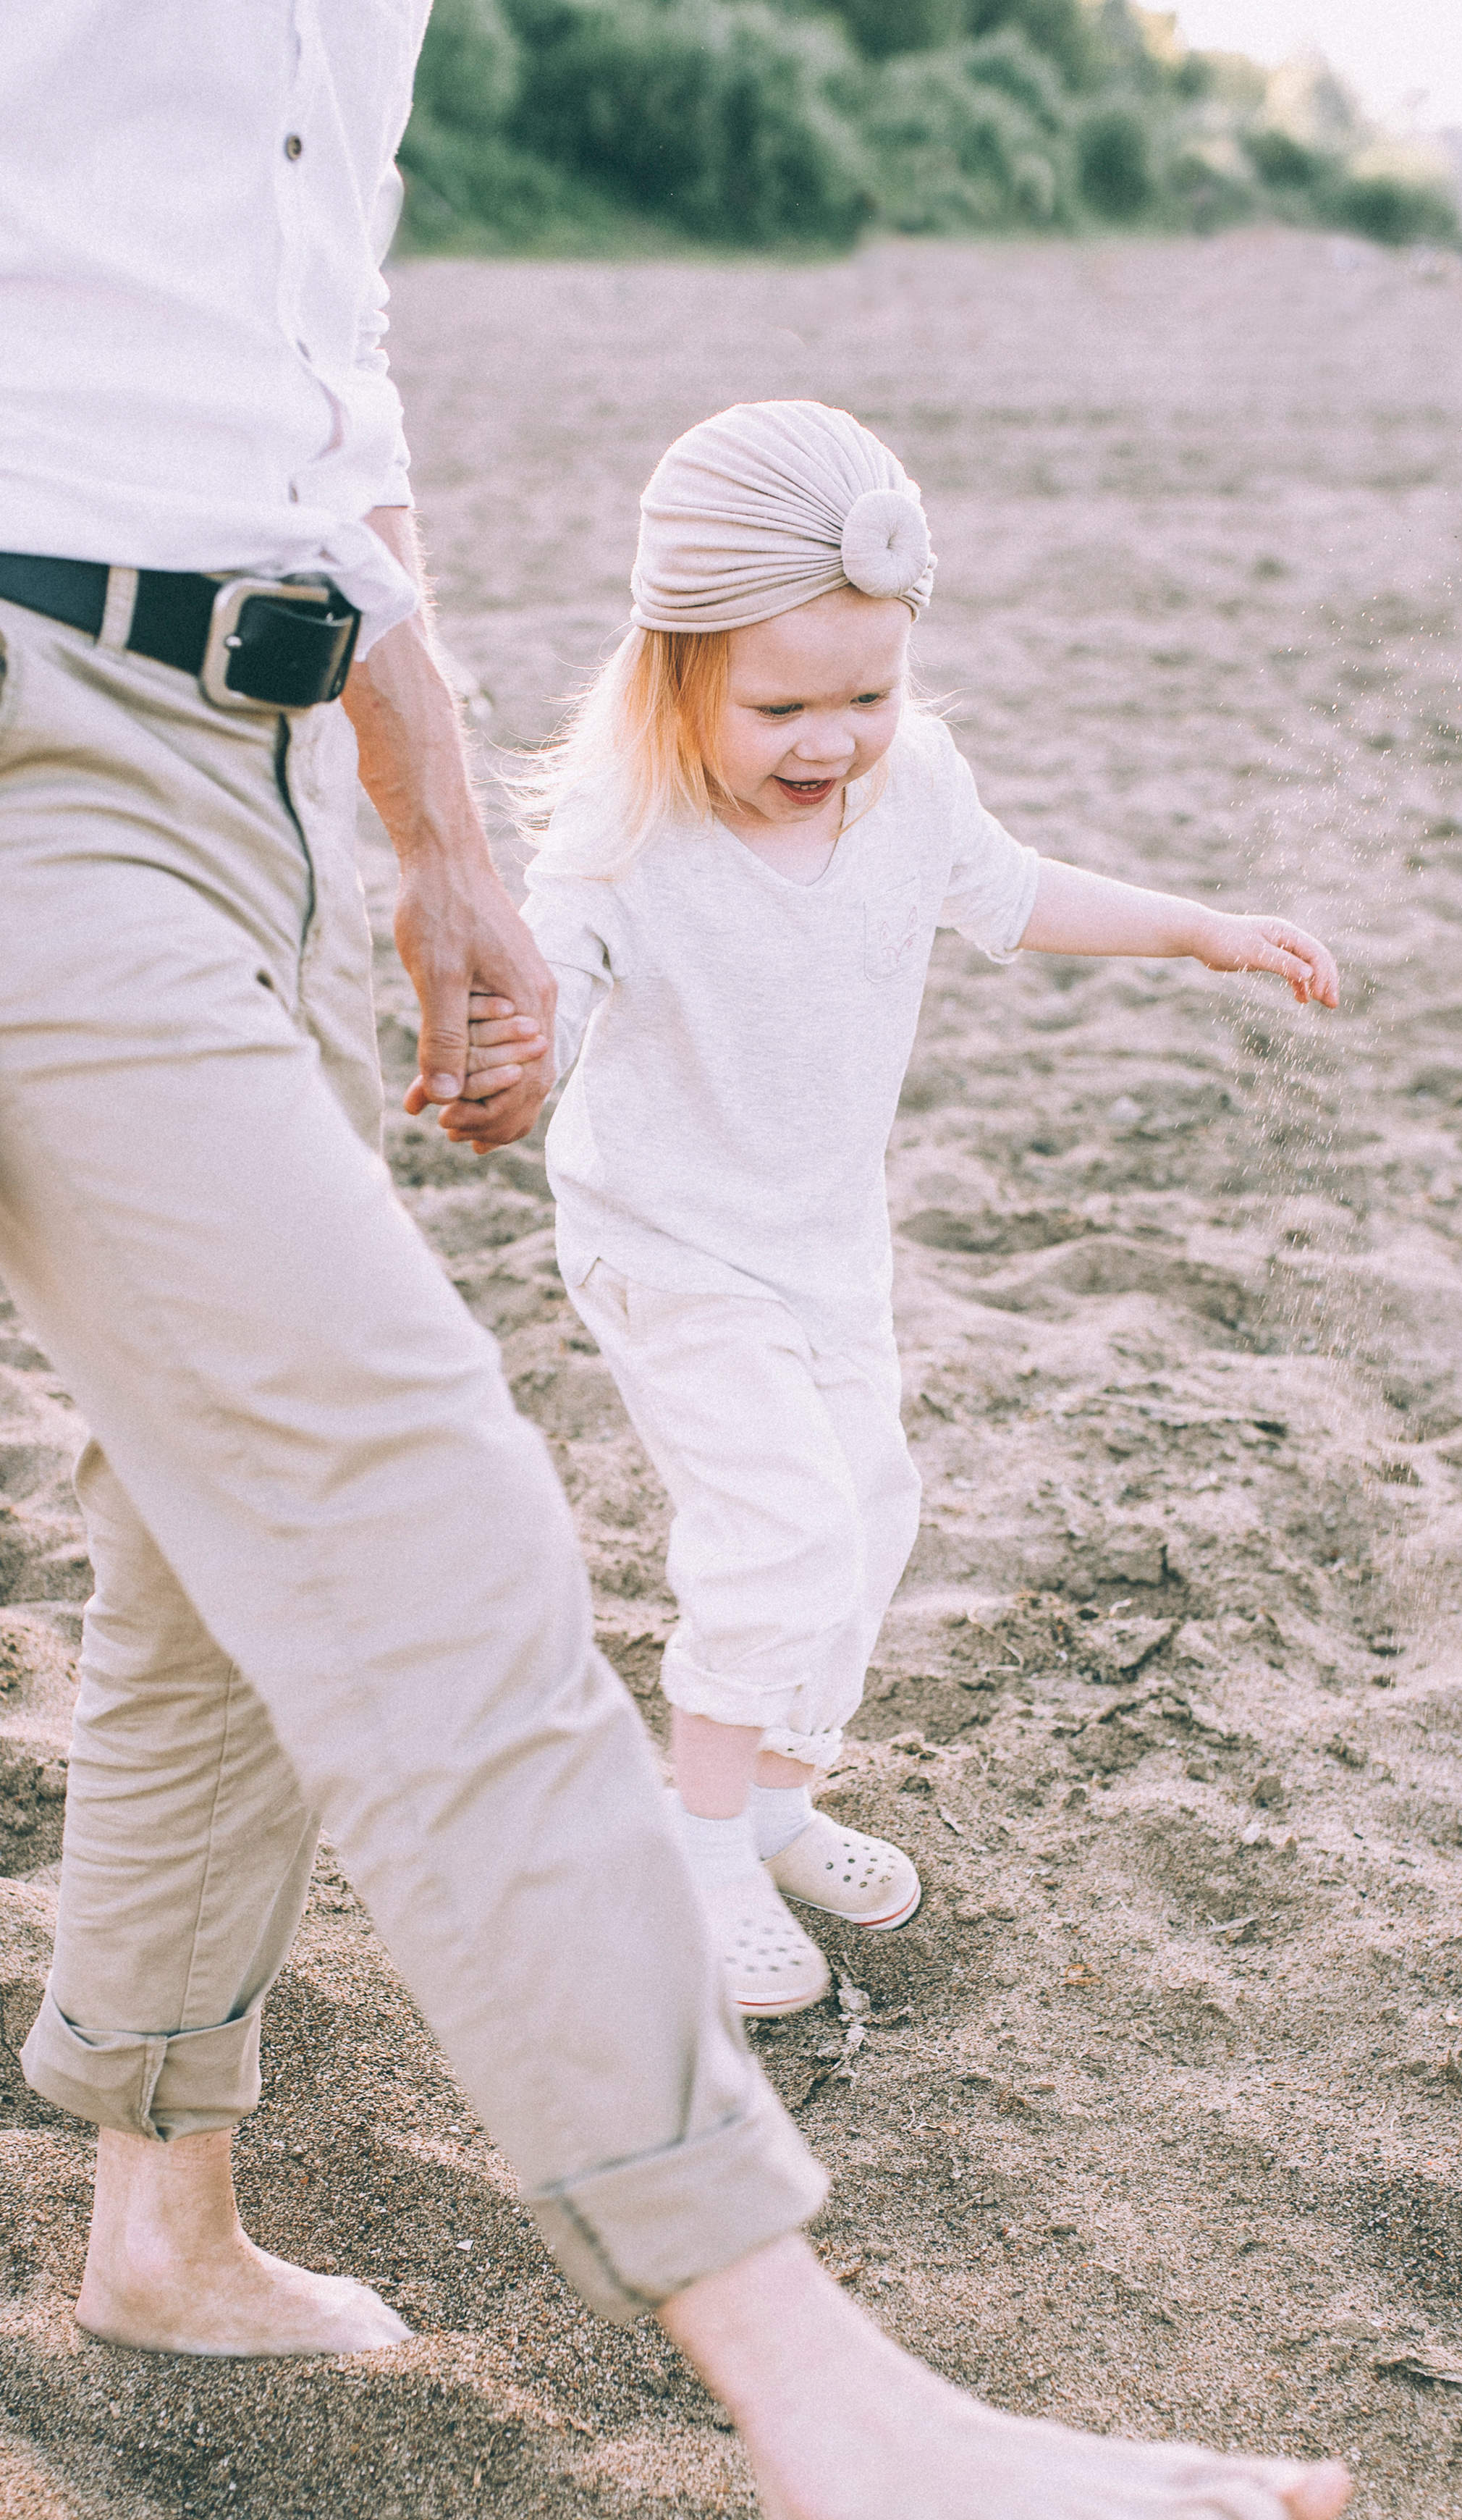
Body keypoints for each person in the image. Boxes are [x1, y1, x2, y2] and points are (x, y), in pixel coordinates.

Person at [0, 7, 1350, 2520]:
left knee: (206, 1529)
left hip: (250, 743)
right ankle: (831, 2411)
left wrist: (429, 812)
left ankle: (161, 2215)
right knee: (406, 1487)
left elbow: (313, 359)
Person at [493, 400, 1339, 2015]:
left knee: (871, 1512)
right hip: (665, 1242)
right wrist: (515, 1051)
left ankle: (777, 1804)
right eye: (780, 708)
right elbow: (549, 981)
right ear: (671, 676)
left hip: (826, 1244)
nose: (829, 743)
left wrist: (1200, 929)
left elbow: (1014, 894)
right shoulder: (623, 833)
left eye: (866, 696)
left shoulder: (911, 786)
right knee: (780, 1529)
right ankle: (698, 1842)